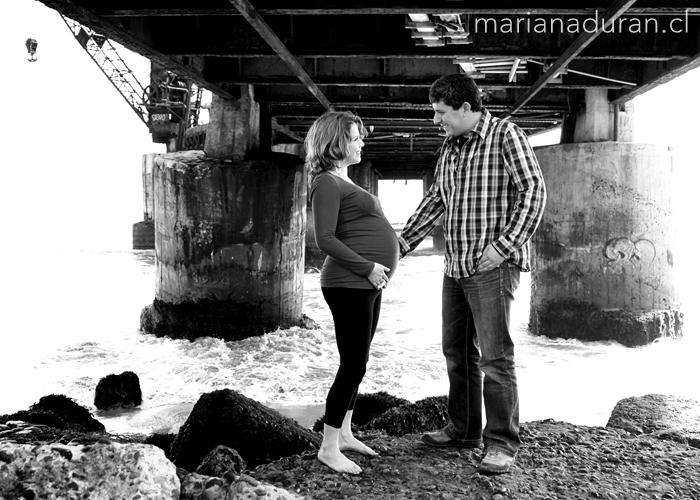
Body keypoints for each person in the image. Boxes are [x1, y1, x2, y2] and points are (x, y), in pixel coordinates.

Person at [398, 74, 546, 474]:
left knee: (496, 358)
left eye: (441, 112)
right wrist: (399, 246)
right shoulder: (450, 145)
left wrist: (503, 247)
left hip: (492, 267)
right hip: (456, 265)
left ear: (465, 108)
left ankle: (501, 443)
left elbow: (534, 192)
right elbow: (436, 200)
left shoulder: (505, 135)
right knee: (457, 352)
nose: (435, 120)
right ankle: (464, 431)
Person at [306, 111, 399, 474]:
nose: (362, 142)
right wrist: (369, 267)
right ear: (337, 141)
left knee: (359, 362)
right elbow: (323, 238)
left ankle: (344, 433)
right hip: (348, 284)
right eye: (356, 136)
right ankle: (328, 447)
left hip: (366, 283)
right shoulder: (326, 182)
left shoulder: (344, 179)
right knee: (352, 363)